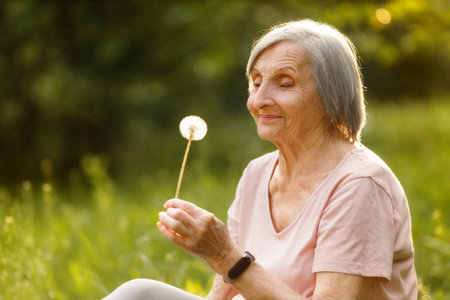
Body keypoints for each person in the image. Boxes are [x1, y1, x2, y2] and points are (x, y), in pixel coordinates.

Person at [103, 19, 417, 300]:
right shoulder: (258, 173)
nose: (259, 100)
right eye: (255, 82)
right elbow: (222, 293)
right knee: (138, 293)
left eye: (284, 83)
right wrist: (222, 259)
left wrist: (224, 254)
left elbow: (232, 265)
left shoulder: (361, 184)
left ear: (330, 95)